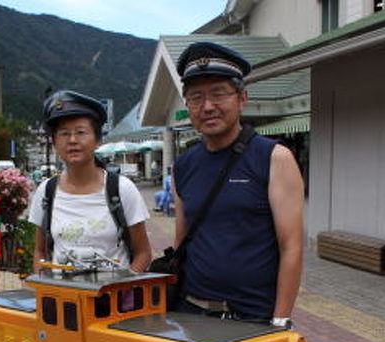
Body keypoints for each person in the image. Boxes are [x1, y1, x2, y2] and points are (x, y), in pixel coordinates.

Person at [171, 42, 304, 327]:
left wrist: (280, 320)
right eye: (196, 98)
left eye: (218, 94)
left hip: (253, 317)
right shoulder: (183, 165)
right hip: (191, 311)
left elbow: (291, 246)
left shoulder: (274, 157)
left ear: (242, 98)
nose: (207, 107)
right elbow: (182, 242)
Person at [29, 90, 152, 272]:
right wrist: (44, 286)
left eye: (81, 132)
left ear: (98, 140)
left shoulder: (121, 189)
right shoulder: (46, 191)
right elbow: (40, 252)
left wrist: (123, 292)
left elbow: (143, 253)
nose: (72, 140)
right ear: (54, 143)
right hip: (64, 298)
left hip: (114, 298)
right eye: (64, 134)